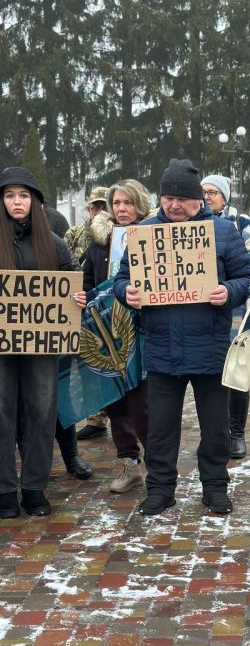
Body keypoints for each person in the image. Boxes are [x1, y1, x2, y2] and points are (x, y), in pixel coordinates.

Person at [114, 159, 250, 516]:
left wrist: (228, 290)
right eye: (167, 197)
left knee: (215, 427)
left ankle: (215, 487)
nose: (174, 205)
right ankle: (160, 489)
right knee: (160, 428)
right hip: (162, 348)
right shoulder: (145, 234)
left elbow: (247, 277)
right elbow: (122, 278)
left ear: (199, 200)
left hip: (209, 346)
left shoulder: (222, 232)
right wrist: (125, 293)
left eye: (182, 198)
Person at [0, 167, 86, 519]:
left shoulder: (54, 242)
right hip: (2, 345)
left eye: (23, 196)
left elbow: (74, 283)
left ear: (34, 201)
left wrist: (78, 297)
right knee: (2, 412)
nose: (16, 202)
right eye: (9, 196)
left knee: (41, 410)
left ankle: (35, 488)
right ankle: (4, 489)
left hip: (42, 343)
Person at [83, 180, 152, 493]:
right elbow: (86, 279)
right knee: (114, 401)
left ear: (139, 204)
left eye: (128, 203)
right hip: (107, 328)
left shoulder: (155, 235)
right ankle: (129, 463)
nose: (122, 209)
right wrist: (82, 295)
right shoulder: (99, 242)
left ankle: (157, 464)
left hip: (143, 328)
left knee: (143, 403)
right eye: (117, 203)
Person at [200, 174, 250, 460]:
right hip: (202, 310)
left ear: (225, 197)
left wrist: (224, 280)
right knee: (213, 372)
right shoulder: (194, 225)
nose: (207, 197)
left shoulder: (240, 223)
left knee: (237, 371)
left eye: (213, 192)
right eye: (202, 192)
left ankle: (237, 432)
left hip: (236, 310)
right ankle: (217, 434)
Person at [67, 187, 111, 441]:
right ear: (89, 208)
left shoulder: (122, 231)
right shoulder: (76, 233)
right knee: (93, 369)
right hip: (92, 310)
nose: (99, 210)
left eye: (104, 206)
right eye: (96, 206)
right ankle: (96, 419)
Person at [64, 187, 109, 264]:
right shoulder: (73, 234)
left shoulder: (118, 234)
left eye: (105, 208)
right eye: (96, 208)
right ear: (88, 209)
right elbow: (65, 264)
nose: (101, 212)